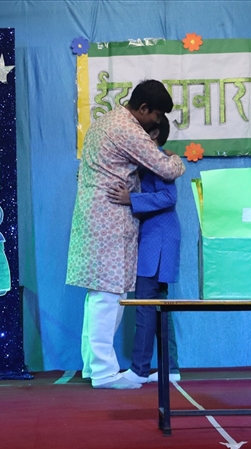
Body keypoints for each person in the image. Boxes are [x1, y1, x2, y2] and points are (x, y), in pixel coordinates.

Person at [66, 80, 186, 390]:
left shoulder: (105, 120)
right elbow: (166, 169)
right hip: (110, 218)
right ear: (143, 108)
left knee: (97, 295)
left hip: (94, 214)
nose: (157, 122)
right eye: (156, 115)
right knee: (109, 295)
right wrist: (176, 159)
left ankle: (93, 367)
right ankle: (104, 372)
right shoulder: (127, 128)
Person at [106, 117, 182, 385]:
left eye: (139, 133)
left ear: (154, 133)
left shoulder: (157, 160)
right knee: (159, 304)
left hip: (157, 238)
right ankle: (170, 368)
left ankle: (139, 369)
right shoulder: (151, 160)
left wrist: (131, 199)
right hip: (157, 236)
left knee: (146, 303)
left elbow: (169, 197)